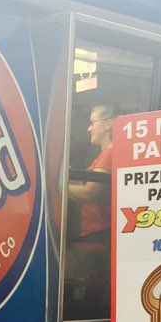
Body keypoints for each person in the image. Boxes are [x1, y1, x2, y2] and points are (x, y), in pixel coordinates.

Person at [68, 103, 115, 241]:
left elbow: (89, 192)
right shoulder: (104, 156)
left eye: (93, 123)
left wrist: (58, 186)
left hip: (97, 232)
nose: (89, 129)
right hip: (95, 231)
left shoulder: (109, 155)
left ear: (108, 124)